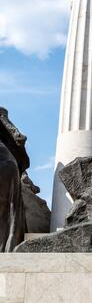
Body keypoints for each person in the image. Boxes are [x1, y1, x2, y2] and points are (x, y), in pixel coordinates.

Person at [0, 107, 29, 252]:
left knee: (8, 208)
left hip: (5, 163)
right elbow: (18, 136)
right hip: (8, 164)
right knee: (9, 208)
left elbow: (17, 136)